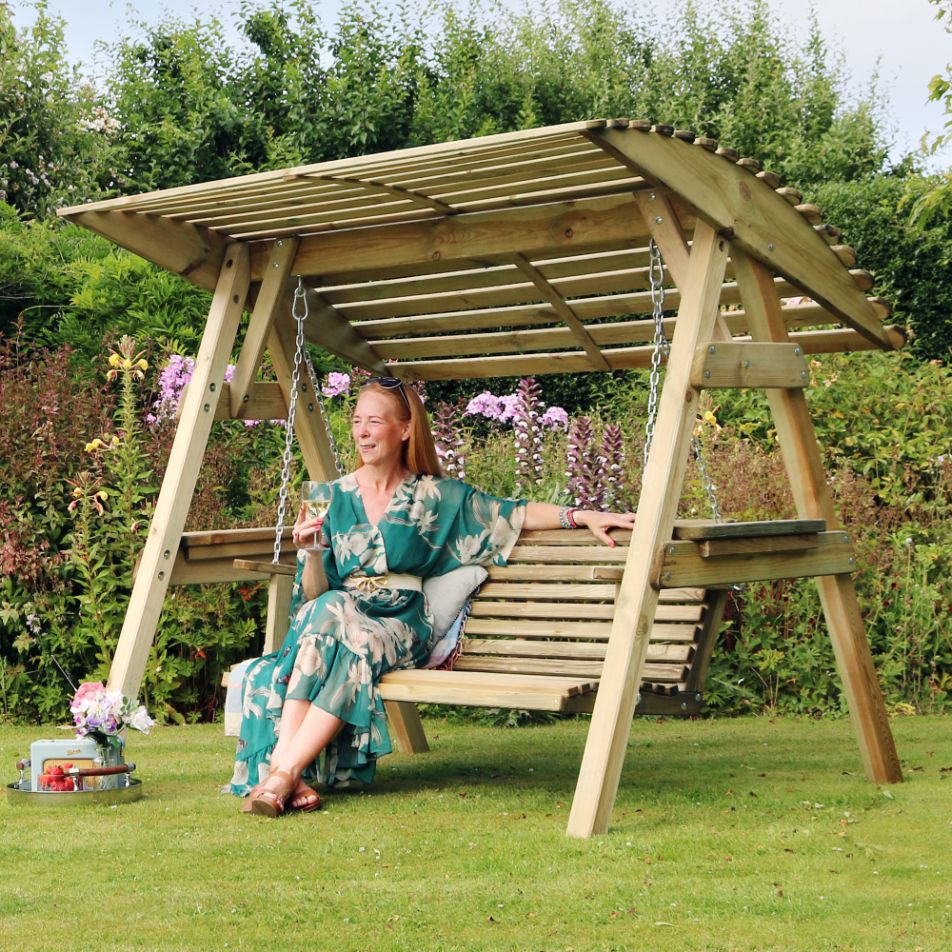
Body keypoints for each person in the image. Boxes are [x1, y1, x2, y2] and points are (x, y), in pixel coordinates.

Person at [229, 376, 636, 817]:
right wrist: (310, 553)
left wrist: (581, 514)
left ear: (405, 429)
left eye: (374, 422)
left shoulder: (435, 496)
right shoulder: (328, 497)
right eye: (356, 421)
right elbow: (315, 593)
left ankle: (278, 770)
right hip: (338, 617)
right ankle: (288, 775)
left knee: (345, 637)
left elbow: (512, 512)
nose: (362, 432)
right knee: (333, 622)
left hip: (400, 623)